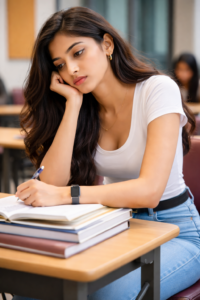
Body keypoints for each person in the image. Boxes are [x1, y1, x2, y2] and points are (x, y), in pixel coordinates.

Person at [13, 7, 200, 300]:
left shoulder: (158, 90)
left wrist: (65, 195)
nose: (70, 70)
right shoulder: (85, 109)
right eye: (59, 64)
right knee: (37, 287)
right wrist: (73, 106)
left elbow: (150, 191)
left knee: (106, 295)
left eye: (78, 53)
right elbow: (50, 182)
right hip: (116, 225)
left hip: (175, 230)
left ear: (107, 45)